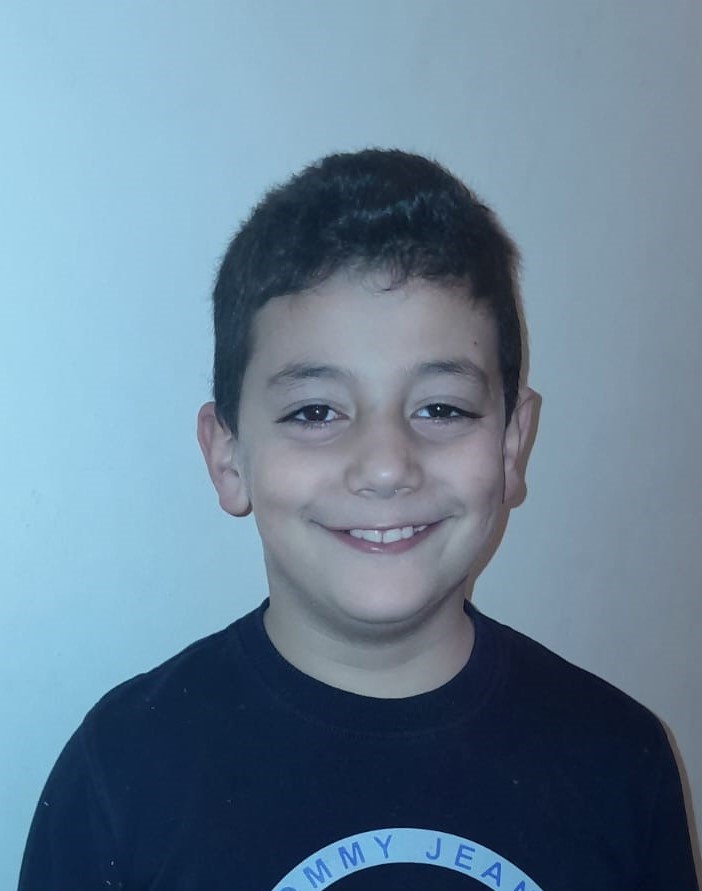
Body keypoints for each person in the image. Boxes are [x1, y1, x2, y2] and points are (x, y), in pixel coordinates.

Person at [19, 149, 698, 890]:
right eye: (316, 412)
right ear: (228, 457)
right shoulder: (122, 772)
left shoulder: (620, 760)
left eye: (441, 408)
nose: (385, 466)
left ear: (511, 446)